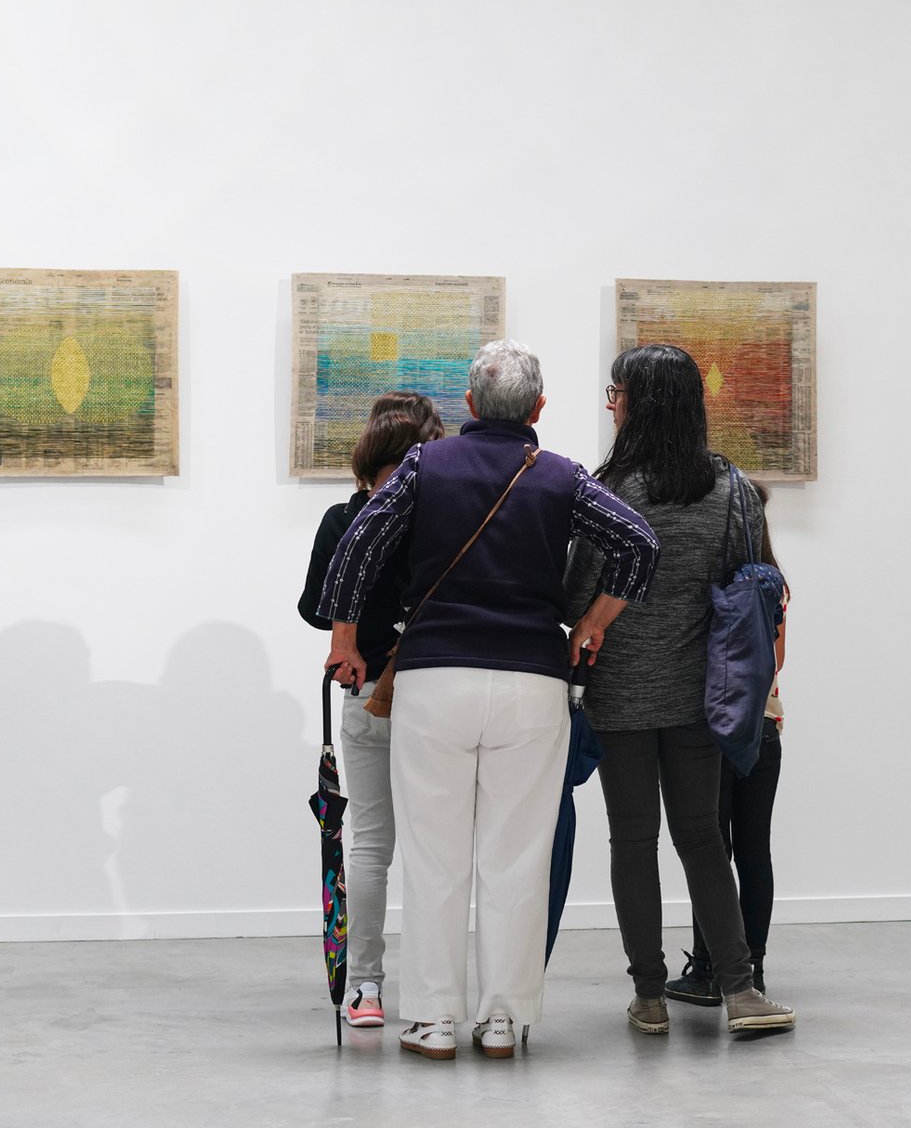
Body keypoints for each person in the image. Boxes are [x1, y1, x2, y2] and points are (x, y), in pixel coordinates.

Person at [319, 340, 660, 1061]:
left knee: (434, 854)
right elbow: (638, 543)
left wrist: (345, 640)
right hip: (532, 685)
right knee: (518, 856)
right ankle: (503, 1020)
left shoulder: (422, 465)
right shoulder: (563, 476)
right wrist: (592, 626)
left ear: (470, 406)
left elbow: (358, 545)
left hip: (434, 681)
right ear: (539, 409)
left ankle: (433, 1022)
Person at [567, 344, 796, 1035]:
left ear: (637, 401)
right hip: (704, 696)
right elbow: (758, 590)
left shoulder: (606, 491)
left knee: (632, 841)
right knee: (702, 838)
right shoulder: (731, 490)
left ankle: (650, 996)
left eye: (615, 391)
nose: (609, 402)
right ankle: (740, 989)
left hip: (620, 697)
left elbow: (577, 595)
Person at [298, 391, 444, 1030]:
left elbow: (313, 606)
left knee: (371, 847)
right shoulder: (441, 523)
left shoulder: (344, 518)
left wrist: (356, 633)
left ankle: (365, 989)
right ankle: (439, 994)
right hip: (439, 696)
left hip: (366, 693)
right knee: (439, 851)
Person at [668, 479, 787, 1005]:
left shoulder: (709, 584)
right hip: (763, 725)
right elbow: (778, 661)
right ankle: (753, 969)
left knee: (708, 849)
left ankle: (710, 969)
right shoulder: (771, 582)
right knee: (754, 848)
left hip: (712, 730)